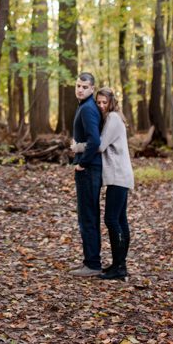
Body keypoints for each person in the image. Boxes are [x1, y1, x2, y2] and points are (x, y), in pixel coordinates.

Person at [95, 87, 134, 281]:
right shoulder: (115, 117)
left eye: (105, 102)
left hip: (118, 176)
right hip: (122, 175)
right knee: (120, 219)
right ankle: (119, 264)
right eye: (99, 102)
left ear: (111, 102)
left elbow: (100, 146)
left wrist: (78, 146)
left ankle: (119, 266)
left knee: (111, 219)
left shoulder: (112, 118)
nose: (102, 106)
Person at [68, 72, 103, 277]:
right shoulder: (85, 106)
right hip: (90, 169)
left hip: (89, 170)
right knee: (89, 215)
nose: (80, 89)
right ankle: (91, 261)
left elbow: (95, 141)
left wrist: (83, 163)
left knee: (87, 217)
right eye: (78, 86)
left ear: (92, 89)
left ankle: (92, 264)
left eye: (84, 87)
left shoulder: (88, 108)